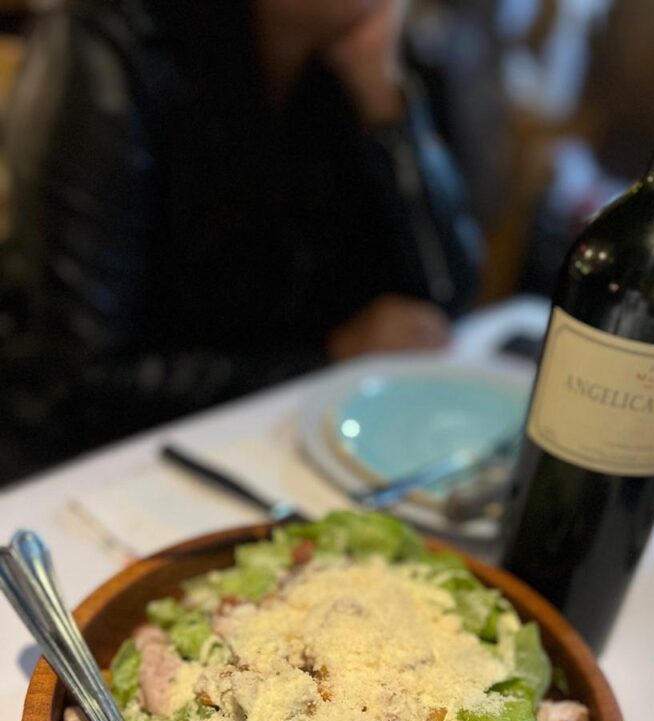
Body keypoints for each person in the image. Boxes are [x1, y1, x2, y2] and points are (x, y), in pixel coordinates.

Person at [3, 0, 480, 474]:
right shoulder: (110, 46)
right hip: (97, 467)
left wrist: (385, 107)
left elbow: (443, 302)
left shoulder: (365, 53)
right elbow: (79, 381)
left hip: (283, 437)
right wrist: (333, 356)